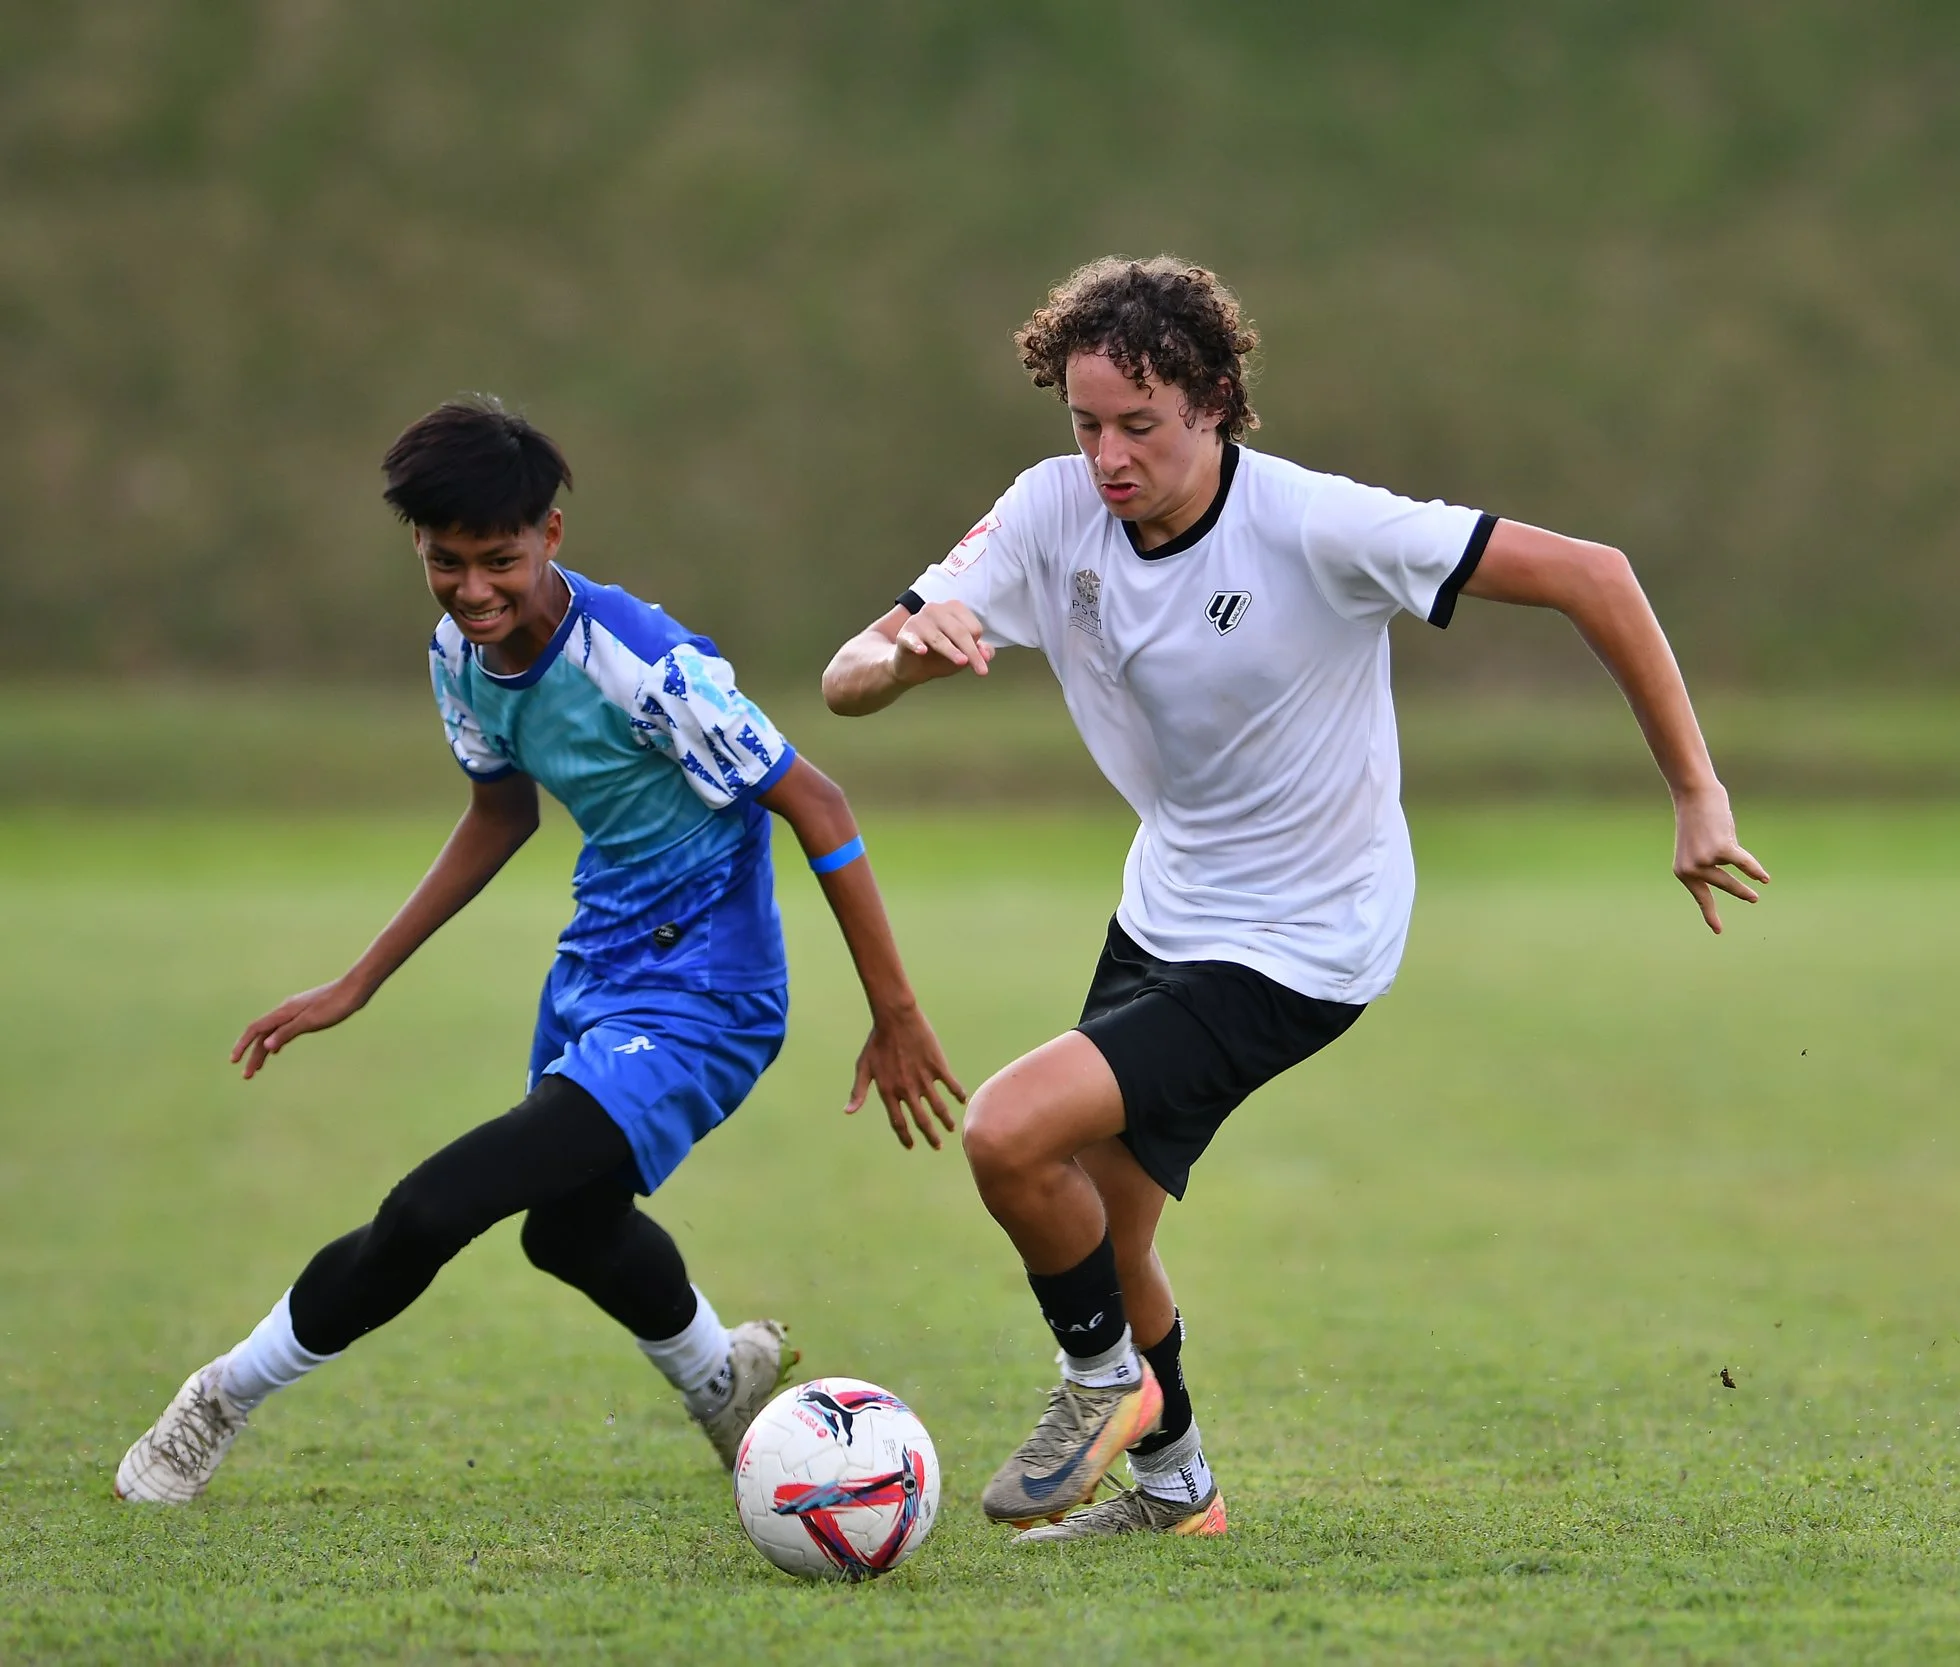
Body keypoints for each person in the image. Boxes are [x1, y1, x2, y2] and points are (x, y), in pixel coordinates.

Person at [818, 257, 1769, 1542]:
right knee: (1107, 1228)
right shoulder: (1050, 509)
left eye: (1140, 425)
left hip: (1307, 938)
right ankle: (1178, 1491)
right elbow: (847, 675)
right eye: (1086, 424)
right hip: (1167, 907)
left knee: (1008, 1132)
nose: (1108, 456)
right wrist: (900, 658)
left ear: (1214, 403)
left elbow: (1594, 572)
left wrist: (1696, 790)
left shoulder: (1317, 526)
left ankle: (1102, 1383)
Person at [115, 398, 964, 1505]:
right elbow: (499, 814)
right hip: (593, 973)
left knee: (433, 1207)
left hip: (706, 1001)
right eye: (445, 560)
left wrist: (895, 1012)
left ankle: (217, 1399)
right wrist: (356, 982)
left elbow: (820, 803)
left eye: (498, 560)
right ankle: (725, 1379)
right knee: (570, 1231)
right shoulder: (458, 658)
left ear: (549, 534)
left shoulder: (648, 667)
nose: (473, 589)